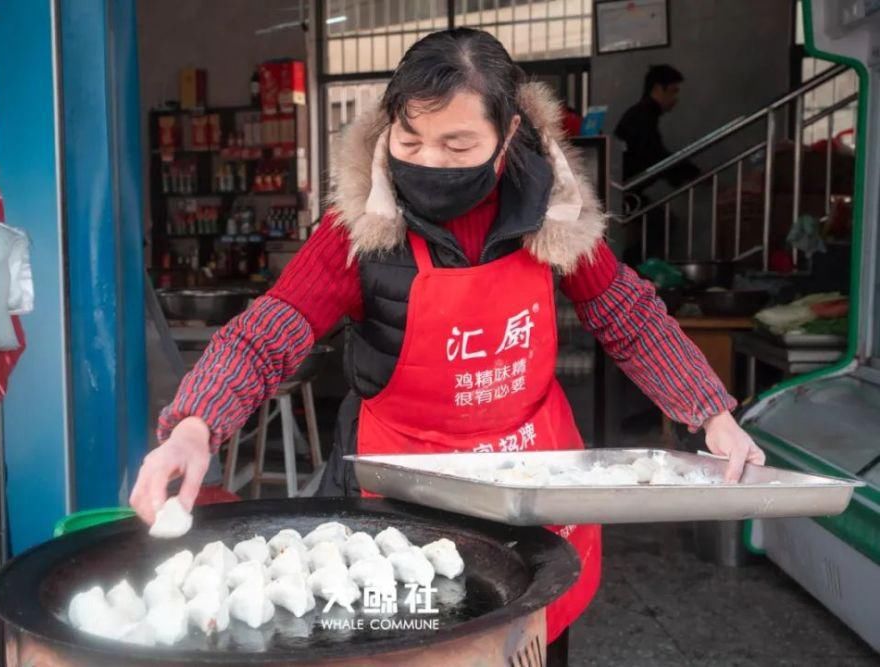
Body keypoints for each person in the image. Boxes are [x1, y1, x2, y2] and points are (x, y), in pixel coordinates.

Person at [131, 29, 763, 659]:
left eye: (457, 144)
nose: (428, 161)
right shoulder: (358, 228)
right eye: (410, 140)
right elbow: (268, 332)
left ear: (508, 136)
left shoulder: (552, 215)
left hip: (528, 489)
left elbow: (629, 315)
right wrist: (196, 424)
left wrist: (709, 411)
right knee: (409, 642)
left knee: (525, 641)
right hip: (398, 497)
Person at [615, 65, 701, 261]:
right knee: (661, 223)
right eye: (673, 91)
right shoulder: (642, 116)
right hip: (626, 189)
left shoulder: (641, 114)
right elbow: (654, 155)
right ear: (657, 89)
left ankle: (630, 268)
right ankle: (629, 269)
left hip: (628, 189)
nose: (676, 99)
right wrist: (689, 174)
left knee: (659, 223)